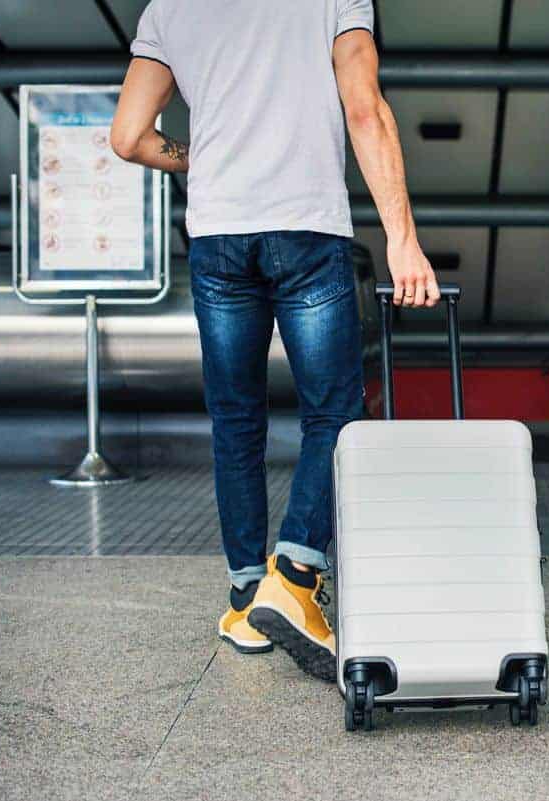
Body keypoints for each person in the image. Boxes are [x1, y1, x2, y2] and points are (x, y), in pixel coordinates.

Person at [110, 0, 438, 681]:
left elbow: (129, 136)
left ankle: (243, 597)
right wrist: (403, 240)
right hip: (305, 228)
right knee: (334, 411)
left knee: (235, 416)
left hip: (218, 235)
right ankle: (292, 575)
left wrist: (205, 159)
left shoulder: (168, 6)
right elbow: (365, 108)